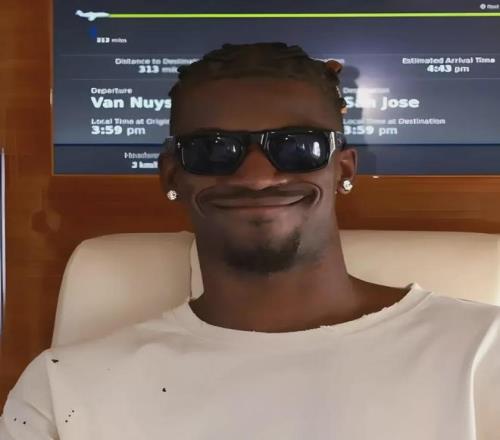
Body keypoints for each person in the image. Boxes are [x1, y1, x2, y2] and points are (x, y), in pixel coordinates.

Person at [1, 42, 499, 439]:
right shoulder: (63, 390)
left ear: (343, 169)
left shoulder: (482, 353)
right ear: (172, 175)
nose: (257, 177)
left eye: (297, 146)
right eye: (214, 149)